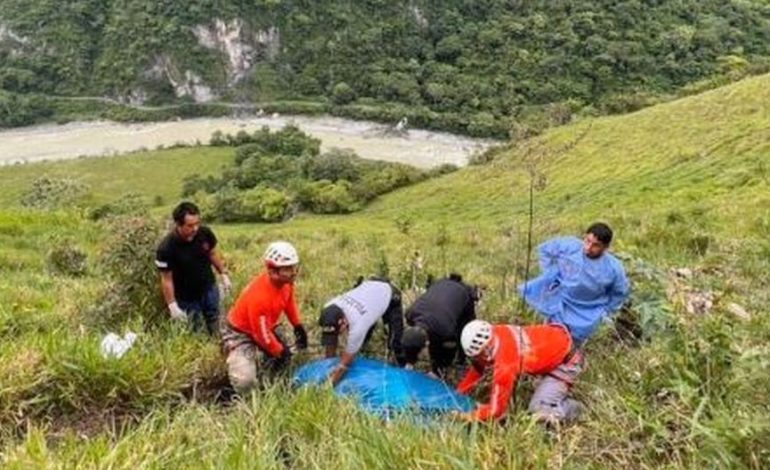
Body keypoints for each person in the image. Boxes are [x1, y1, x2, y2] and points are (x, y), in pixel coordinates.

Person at [519, 222, 630, 423]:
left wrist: (605, 311)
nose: (588, 247)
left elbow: (619, 292)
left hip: (585, 315)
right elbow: (545, 250)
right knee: (547, 341)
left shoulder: (613, 268)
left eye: (595, 245)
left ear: (605, 248)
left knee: (569, 350)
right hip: (559, 304)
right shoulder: (569, 246)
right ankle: (542, 376)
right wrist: (551, 274)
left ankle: (561, 384)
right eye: (587, 241)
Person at [220, 241, 308, 394]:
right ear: (272, 271)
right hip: (240, 333)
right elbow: (261, 336)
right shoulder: (260, 297)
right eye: (287, 269)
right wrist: (279, 350)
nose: (293, 272)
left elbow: (288, 302)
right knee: (245, 381)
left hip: (263, 326)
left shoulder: (286, 282)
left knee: (283, 358)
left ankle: (272, 379)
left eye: (294, 267)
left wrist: (297, 325)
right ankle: (244, 398)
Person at [455, 320, 573, 422]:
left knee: (537, 409)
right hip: (556, 336)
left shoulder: (505, 365)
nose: (476, 360)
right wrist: (457, 394)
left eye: (477, 356)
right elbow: (478, 368)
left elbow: (496, 411)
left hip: (566, 363)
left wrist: (468, 416)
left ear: (485, 351)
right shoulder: (496, 332)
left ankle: (575, 409)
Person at [155, 201, 231, 334]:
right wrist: (172, 305)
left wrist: (223, 273)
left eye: (197, 223)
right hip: (186, 297)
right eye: (190, 225)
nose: (195, 228)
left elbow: (212, 253)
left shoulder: (204, 233)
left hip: (208, 288)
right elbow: (166, 279)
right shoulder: (166, 248)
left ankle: (218, 343)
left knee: (214, 319)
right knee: (195, 329)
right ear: (178, 224)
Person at [319, 276, 405, 384]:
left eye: (337, 331)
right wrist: (328, 366)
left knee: (395, 342)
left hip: (389, 293)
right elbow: (330, 343)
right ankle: (364, 346)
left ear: (344, 322)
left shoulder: (358, 326)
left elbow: (343, 366)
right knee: (362, 340)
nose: (337, 335)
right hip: (369, 288)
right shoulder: (329, 307)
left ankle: (404, 370)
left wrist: (327, 386)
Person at [401, 273, 480, 377]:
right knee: (432, 336)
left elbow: (449, 348)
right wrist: (409, 363)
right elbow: (412, 342)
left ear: (427, 343)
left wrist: (437, 370)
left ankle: (460, 362)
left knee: (464, 333)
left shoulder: (446, 330)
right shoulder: (410, 313)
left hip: (463, 295)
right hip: (442, 285)